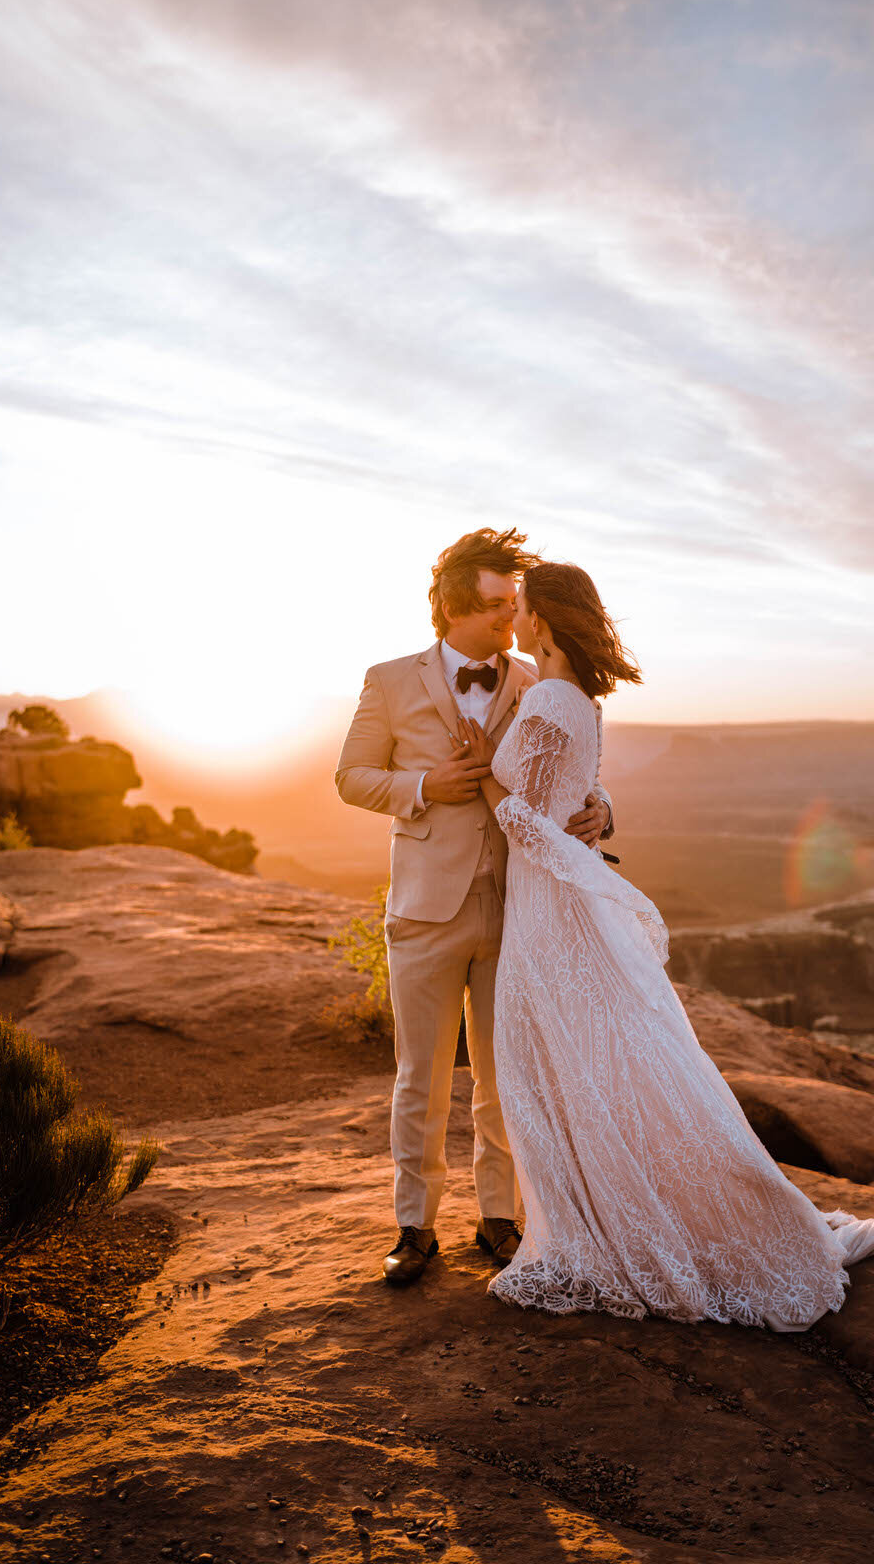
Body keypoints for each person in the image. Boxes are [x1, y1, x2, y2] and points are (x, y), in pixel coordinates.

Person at [454, 562, 874, 1330]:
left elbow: (531, 821)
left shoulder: (546, 695)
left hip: (550, 913)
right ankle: (606, 1217)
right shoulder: (579, 698)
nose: (514, 619)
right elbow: (573, 793)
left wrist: (483, 777)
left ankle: (602, 1234)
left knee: (563, 1063)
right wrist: (596, 807)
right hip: (557, 906)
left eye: (523, 608)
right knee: (592, 1061)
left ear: (542, 619)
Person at [334, 529, 616, 1287]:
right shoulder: (389, 680)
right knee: (419, 1076)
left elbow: (576, 767)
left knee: (505, 1076)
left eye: (512, 605)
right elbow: (351, 777)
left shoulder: (537, 675)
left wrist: (601, 809)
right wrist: (427, 787)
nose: (509, 616)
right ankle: (413, 1226)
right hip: (426, 910)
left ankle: (500, 1216)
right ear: (457, 606)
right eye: (497, 604)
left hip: (519, 905)